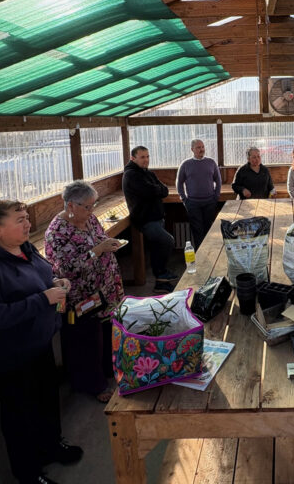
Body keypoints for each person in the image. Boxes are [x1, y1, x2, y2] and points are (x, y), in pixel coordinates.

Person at [0, 200, 83, 484]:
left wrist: (57, 282)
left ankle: (51, 445)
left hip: (36, 344)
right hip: (8, 356)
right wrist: (42, 299)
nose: (27, 223)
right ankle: (28, 472)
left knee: (46, 400)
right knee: (20, 414)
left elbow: (42, 277)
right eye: (19, 220)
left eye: (26, 217)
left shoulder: (24, 248)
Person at [45, 181, 123, 403]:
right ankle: (93, 384)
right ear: (71, 205)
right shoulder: (57, 232)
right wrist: (97, 251)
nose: (92, 211)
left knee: (107, 331)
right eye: (88, 206)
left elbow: (100, 237)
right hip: (82, 296)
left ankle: (109, 370)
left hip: (105, 288)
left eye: (93, 205)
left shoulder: (88, 218)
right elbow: (66, 267)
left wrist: (108, 243)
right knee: (86, 340)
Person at [122, 146, 178, 291]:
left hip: (157, 217)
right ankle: (160, 274)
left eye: (147, 156)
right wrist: (156, 190)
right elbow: (150, 191)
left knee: (157, 247)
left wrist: (156, 190)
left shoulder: (148, 173)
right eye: (142, 157)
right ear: (132, 158)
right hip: (145, 219)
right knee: (167, 241)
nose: (146, 160)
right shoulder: (131, 175)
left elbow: (164, 190)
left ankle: (160, 283)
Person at [176, 139, 221, 247]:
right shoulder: (186, 164)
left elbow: (218, 180)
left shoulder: (211, 162)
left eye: (202, 147)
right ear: (192, 149)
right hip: (193, 204)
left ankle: (209, 256)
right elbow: (179, 182)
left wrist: (216, 197)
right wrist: (184, 199)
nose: (201, 149)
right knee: (197, 232)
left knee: (209, 231)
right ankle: (200, 258)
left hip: (210, 202)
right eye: (198, 147)